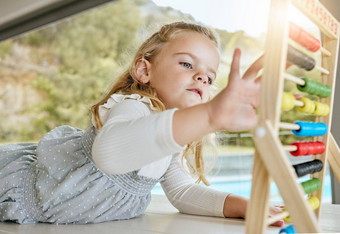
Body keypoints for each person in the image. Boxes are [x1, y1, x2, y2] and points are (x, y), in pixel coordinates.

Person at [0, 22, 283, 226]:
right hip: (14, 184)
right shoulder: (133, 106)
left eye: (209, 78)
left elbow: (183, 192)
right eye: (187, 64)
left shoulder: (170, 139)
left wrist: (245, 206)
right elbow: (109, 153)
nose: (200, 78)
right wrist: (210, 116)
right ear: (144, 70)